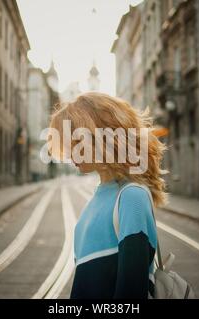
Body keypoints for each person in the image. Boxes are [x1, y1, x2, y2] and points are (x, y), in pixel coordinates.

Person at [48, 92, 167, 299]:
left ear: (101, 138)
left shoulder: (131, 197)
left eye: (75, 141)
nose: (69, 151)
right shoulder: (97, 199)